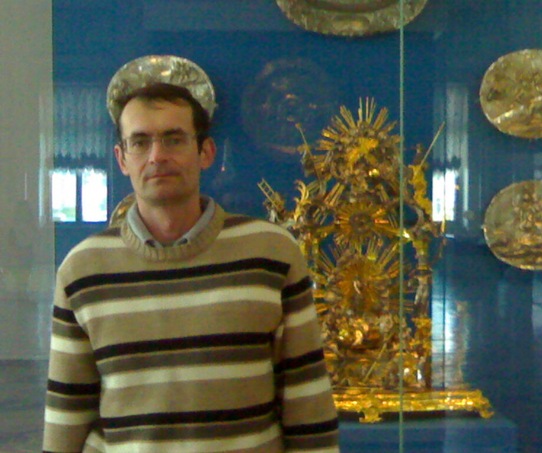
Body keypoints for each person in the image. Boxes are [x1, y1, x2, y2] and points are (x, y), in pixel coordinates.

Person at [42, 59, 339, 452]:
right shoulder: (83, 270)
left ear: (205, 152)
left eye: (174, 139)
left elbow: (307, 400)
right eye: (140, 142)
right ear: (122, 158)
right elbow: (67, 413)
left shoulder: (272, 254)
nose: (156, 156)